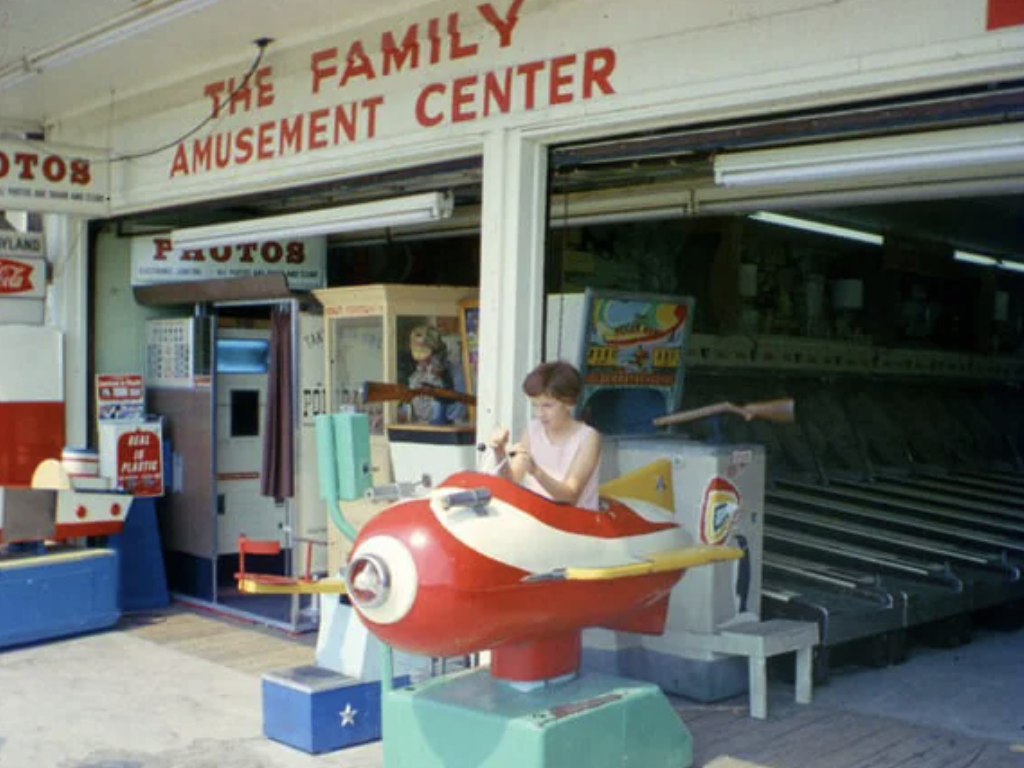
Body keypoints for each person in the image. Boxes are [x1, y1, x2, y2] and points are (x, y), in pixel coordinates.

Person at [489, 361, 602, 510]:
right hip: (539, 520)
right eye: (535, 405)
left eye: (547, 406)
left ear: (569, 403)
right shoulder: (533, 429)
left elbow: (571, 495)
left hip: (576, 525)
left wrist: (536, 471)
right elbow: (511, 481)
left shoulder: (589, 437)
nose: (539, 413)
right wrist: (499, 452)